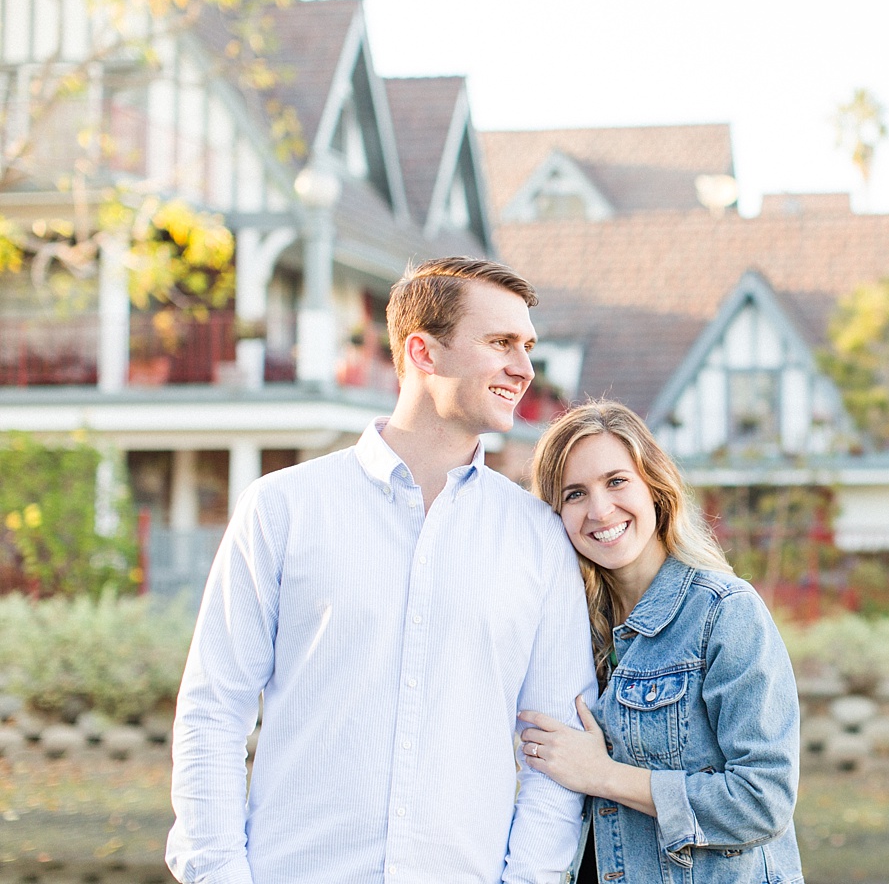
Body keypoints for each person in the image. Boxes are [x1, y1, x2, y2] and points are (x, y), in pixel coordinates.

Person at [167, 257, 596, 884]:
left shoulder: (539, 539)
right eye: (500, 343)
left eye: (527, 347)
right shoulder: (281, 508)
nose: (524, 369)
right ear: (423, 351)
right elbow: (213, 709)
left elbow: (556, 750)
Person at [521, 401, 804, 884]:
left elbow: (763, 799)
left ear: (653, 486)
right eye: (574, 494)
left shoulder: (723, 612)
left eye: (616, 481)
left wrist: (603, 774)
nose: (600, 509)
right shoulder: (568, 632)